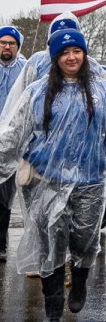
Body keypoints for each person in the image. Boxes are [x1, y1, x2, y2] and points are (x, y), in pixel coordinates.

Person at [0, 28, 106, 321]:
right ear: (54, 57)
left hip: (90, 182)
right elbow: (14, 133)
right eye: (64, 53)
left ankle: (79, 280)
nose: (71, 57)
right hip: (46, 180)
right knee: (49, 243)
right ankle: (53, 302)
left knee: (83, 240)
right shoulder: (37, 92)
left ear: (84, 54)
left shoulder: (102, 90)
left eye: (77, 51)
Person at [0, 25, 26, 263]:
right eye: (3, 42)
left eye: (11, 43)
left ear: (18, 46)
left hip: (11, 143)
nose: (6, 46)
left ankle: (1, 243)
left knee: (4, 196)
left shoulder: (25, 70)